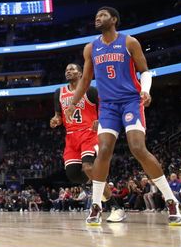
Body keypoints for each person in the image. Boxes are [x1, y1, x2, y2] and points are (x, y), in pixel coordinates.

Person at [65, 7, 181, 226]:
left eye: (102, 15)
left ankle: (171, 201)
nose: (97, 18)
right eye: (96, 16)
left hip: (130, 100)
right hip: (108, 106)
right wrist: (74, 103)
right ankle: (96, 205)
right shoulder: (90, 48)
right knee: (103, 151)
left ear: (114, 19)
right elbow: (85, 80)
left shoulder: (130, 42)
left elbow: (144, 70)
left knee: (137, 148)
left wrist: (146, 90)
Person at [50, 63, 128, 222]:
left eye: (72, 69)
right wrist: (56, 119)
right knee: (74, 175)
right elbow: (58, 114)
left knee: (88, 167)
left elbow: (106, 106)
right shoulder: (59, 92)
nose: (68, 71)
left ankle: (113, 207)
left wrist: (100, 120)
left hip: (89, 134)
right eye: (66, 70)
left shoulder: (90, 90)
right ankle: (100, 183)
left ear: (80, 74)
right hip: (71, 137)